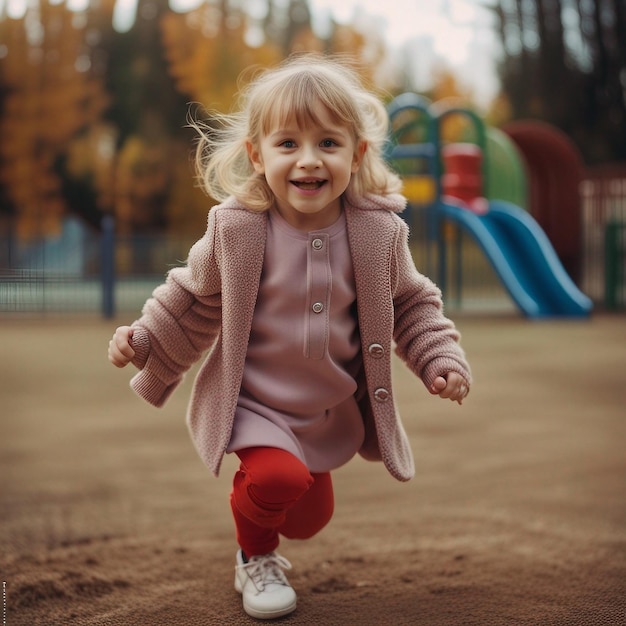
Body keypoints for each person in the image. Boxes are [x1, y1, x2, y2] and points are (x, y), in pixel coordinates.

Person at [108, 54, 471, 621]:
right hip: (255, 403)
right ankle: (255, 558)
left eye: (328, 143)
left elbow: (411, 303)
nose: (308, 161)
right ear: (257, 154)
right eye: (287, 145)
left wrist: (439, 358)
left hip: (327, 411)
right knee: (277, 478)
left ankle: (269, 514)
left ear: (357, 153)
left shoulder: (378, 234)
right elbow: (192, 293)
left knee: (308, 515)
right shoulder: (238, 228)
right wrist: (145, 339)